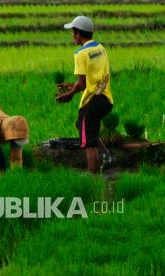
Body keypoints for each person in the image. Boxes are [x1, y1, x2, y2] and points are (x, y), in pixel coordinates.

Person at [56, 16, 113, 174]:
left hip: (92, 101)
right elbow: (90, 79)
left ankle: (93, 182)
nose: (72, 36)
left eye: (73, 32)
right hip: (106, 99)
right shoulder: (100, 48)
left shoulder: (80, 54)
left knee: (89, 144)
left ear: (78, 34)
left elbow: (81, 84)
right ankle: (107, 156)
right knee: (81, 127)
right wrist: (70, 85)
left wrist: (69, 94)